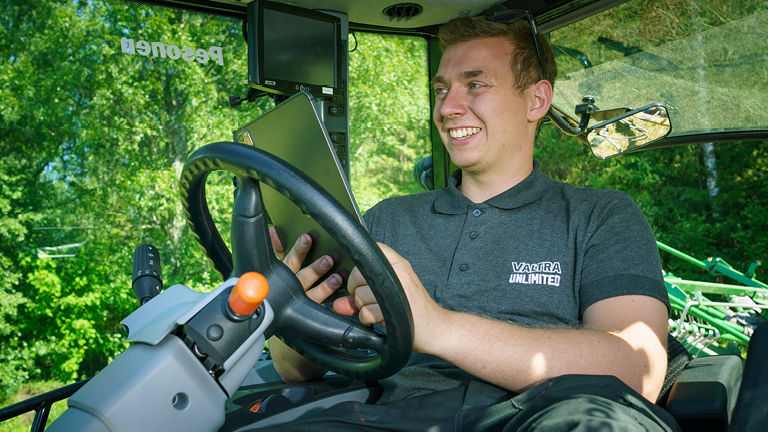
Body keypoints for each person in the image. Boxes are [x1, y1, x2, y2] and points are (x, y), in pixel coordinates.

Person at [260, 15, 680, 431]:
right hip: (397, 417)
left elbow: (634, 367)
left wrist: (436, 327)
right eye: (441, 90)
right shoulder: (387, 219)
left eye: (475, 85)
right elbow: (294, 372)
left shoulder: (599, 215)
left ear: (536, 100)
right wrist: (297, 309)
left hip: (547, 416)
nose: (447, 107)